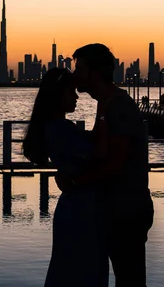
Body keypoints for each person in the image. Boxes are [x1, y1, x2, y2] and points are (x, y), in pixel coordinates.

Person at [59, 43, 154, 287]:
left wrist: (74, 182)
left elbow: (114, 164)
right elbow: (101, 147)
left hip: (127, 210)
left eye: (79, 68)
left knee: (130, 280)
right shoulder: (106, 103)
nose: (75, 74)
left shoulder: (118, 105)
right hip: (116, 208)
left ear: (95, 73)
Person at [23, 67, 108, 287]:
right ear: (58, 95)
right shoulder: (61, 129)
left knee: (71, 270)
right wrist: (103, 109)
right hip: (81, 209)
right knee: (82, 271)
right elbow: (99, 153)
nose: (77, 97)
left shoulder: (56, 128)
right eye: (71, 92)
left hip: (76, 206)